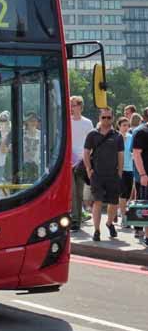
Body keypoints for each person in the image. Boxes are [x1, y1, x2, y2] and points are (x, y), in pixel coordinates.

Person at [83, 107, 123, 241]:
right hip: (97, 174)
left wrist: (120, 172)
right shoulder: (92, 134)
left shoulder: (117, 136)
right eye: (103, 117)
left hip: (112, 174)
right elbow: (86, 153)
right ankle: (96, 230)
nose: (106, 120)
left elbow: (120, 155)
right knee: (97, 202)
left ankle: (109, 223)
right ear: (99, 118)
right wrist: (89, 169)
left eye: (109, 117)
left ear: (113, 118)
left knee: (113, 203)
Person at [70, 96, 94, 231]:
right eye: (70, 105)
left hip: (81, 161)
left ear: (79, 106)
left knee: (78, 192)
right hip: (68, 161)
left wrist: (88, 161)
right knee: (72, 191)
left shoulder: (87, 122)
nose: (71, 107)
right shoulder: (67, 121)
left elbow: (91, 143)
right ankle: (74, 219)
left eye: (73, 105)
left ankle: (77, 220)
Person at [130, 113, 148, 246]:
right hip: (146, 175)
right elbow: (136, 154)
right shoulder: (142, 132)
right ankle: (147, 235)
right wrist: (142, 174)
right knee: (146, 205)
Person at [117, 116, 134, 226]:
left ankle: (120, 212)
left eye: (127, 125)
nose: (126, 127)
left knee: (128, 195)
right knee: (122, 194)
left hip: (131, 169)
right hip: (119, 169)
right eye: (124, 125)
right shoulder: (115, 137)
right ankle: (124, 218)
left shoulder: (132, 137)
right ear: (119, 126)